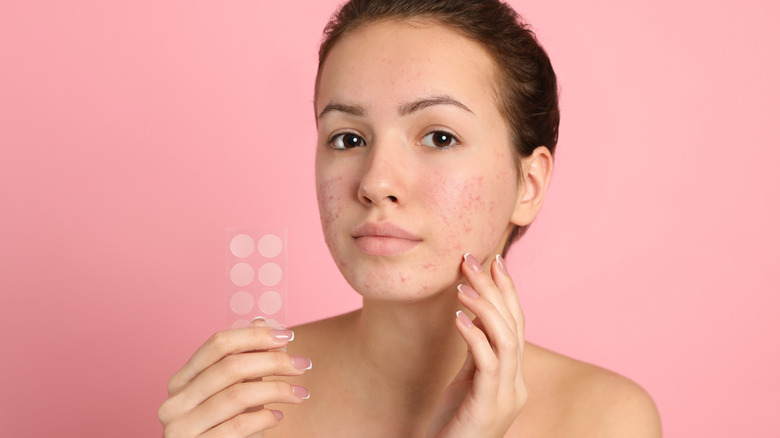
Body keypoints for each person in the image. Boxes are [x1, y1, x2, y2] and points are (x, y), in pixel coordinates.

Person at [158, 0, 662, 436]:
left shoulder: (603, 421)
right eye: (348, 138)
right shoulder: (242, 404)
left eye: (439, 137)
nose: (375, 183)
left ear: (527, 185)